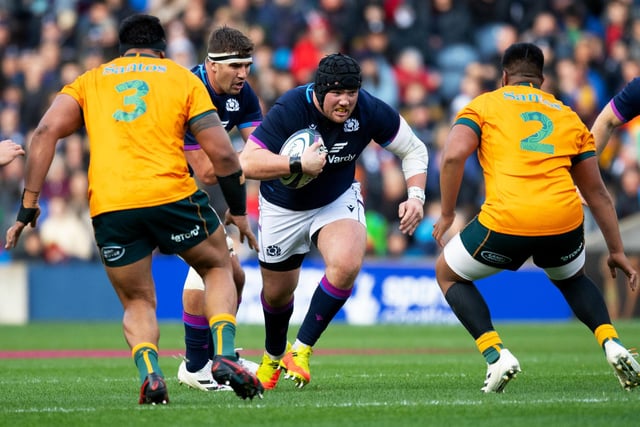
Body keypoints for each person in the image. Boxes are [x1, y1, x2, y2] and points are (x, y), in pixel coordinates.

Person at [4, 14, 263, 404]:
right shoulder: (181, 78)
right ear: (162, 49)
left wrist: (28, 207)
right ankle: (224, 357)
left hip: (111, 206)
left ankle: (151, 375)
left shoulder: (91, 80)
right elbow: (224, 157)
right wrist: (239, 210)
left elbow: (44, 133)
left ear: (120, 49)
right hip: (170, 195)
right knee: (217, 267)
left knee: (138, 301)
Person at [431, 42, 640, 393]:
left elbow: (452, 156)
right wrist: (616, 250)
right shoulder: (566, 114)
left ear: (503, 77)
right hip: (563, 222)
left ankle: (496, 355)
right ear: (541, 81)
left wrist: (448, 213)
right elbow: (598, 193)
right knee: (571, 278)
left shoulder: (484, 104)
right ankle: (612, 342)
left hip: (507, 220)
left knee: (447, 274)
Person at [239, 53, 428, 389]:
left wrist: (416, 197)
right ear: (319, 90)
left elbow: (414, 149)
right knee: (278, 294)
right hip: (282, 206)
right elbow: (247, 163)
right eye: (337, 93)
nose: (345, 102)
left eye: (351, 93)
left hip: (335, 199)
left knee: (346, 264)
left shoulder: (369, 109)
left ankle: (301, 350)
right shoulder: (292, 107)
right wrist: (296, 164)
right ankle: (272, 356)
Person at [177, 25, 262, 392]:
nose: (244, 73)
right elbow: (210, 172)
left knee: (234, 275)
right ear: (211, 65)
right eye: (236, 66)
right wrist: (261, 164)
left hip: (193, 194)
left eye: (248, 65)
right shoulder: (189, 91)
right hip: (166, 189)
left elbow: (262, 147)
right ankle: (198, 365)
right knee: (213, 265)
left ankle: (218, 357)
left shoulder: (243, 93)